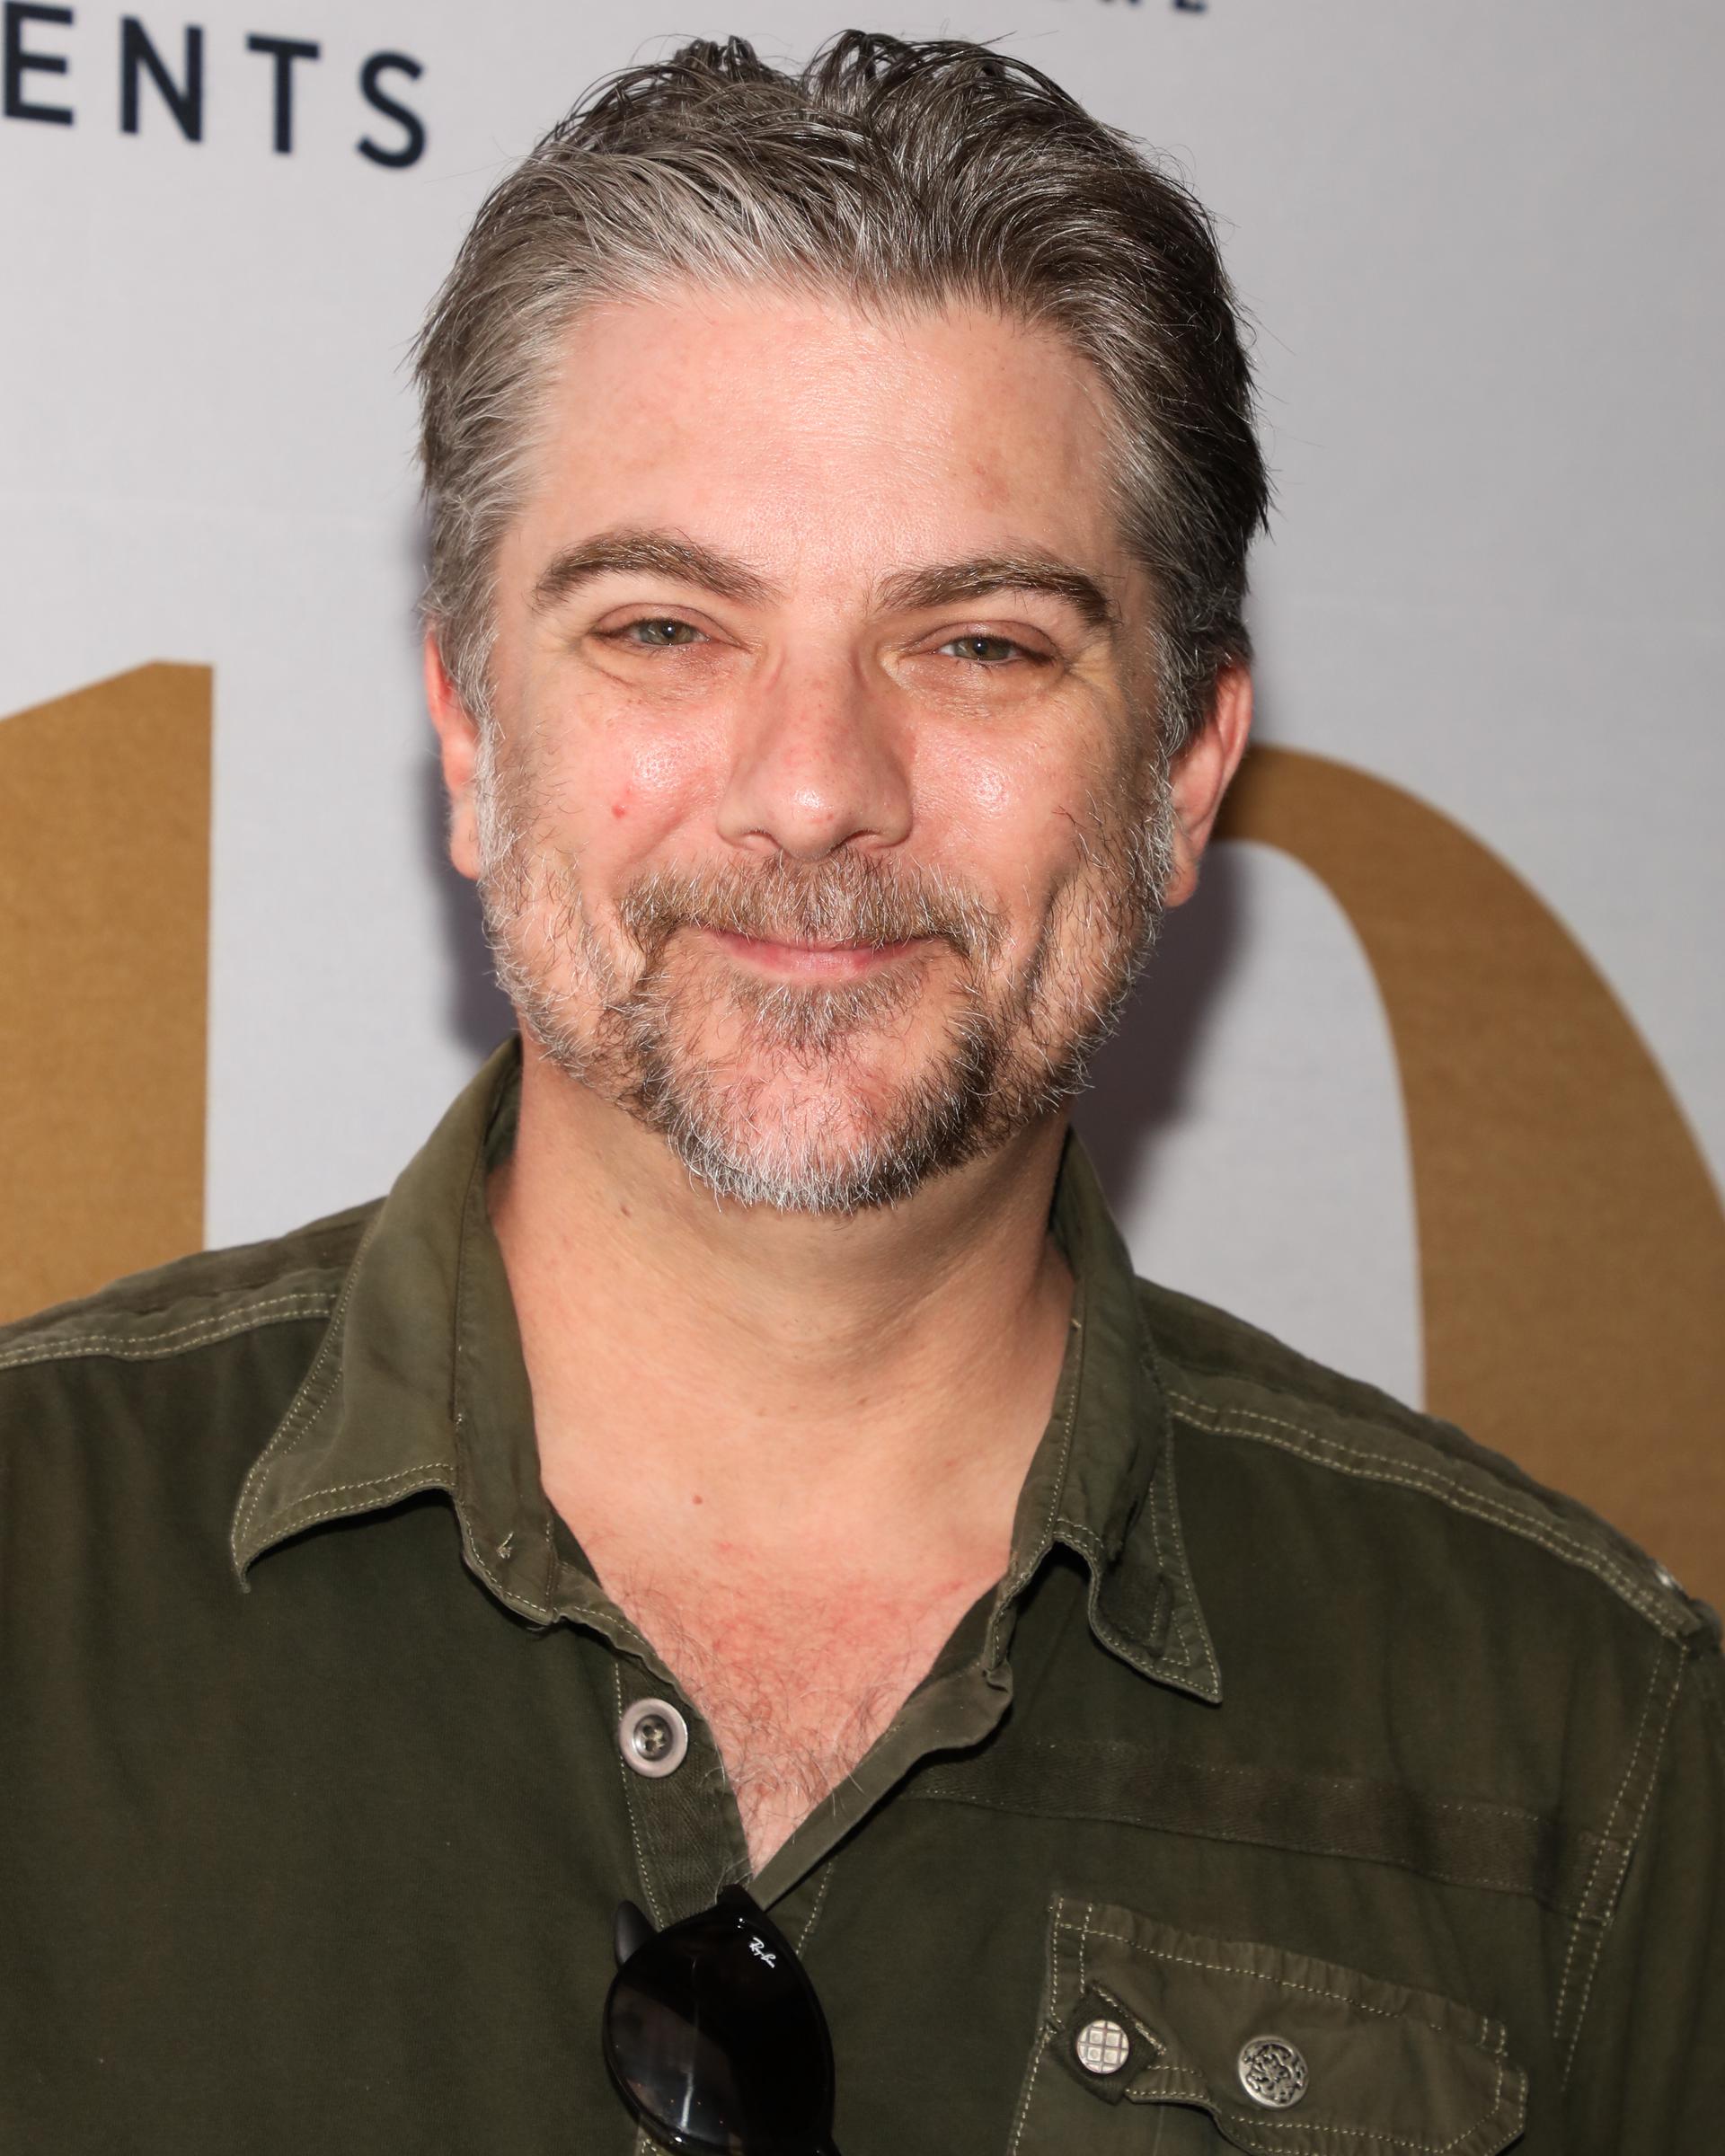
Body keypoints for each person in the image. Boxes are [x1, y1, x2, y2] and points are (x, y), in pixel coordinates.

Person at [1, 31, 1719, 2155]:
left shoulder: (1578, 1750)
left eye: (981, 644)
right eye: (664, 628)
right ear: (467, 730)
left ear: (1183, 773)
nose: (817, 786)